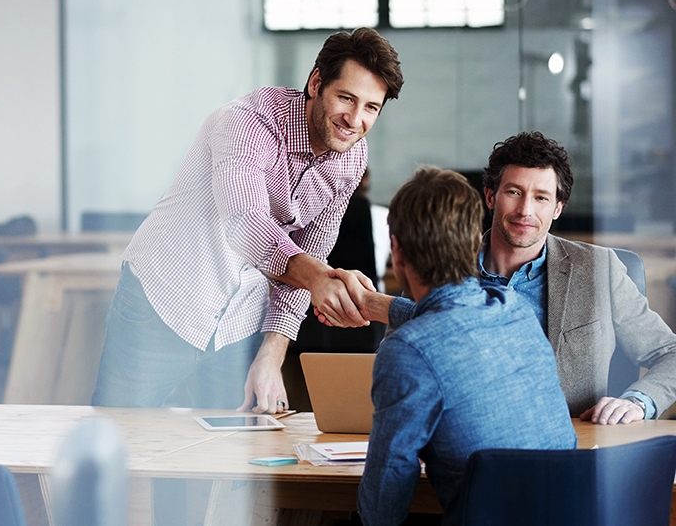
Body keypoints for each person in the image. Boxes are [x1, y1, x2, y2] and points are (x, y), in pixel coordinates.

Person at [91, 28, 404, 413]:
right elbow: (245, 223)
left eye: (371, 107)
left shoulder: (351, 159)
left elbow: (310, 256)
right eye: (346, 98)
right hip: (163, 302)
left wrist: (271, 356)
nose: (355, 119)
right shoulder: (246, 123)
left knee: (231, 459)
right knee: (116, 439)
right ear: (316, 82)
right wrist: (318, 277)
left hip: (239, 324)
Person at [336, 132, 676, 424]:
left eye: (541, 197)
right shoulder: (442, 265)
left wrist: (637, 402)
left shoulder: (599, 270)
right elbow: (395, 364)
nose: (525, 211)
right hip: (460, 443)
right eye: (514, 192)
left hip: (569, 445)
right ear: (489, 196)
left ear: (557, 208)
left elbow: (670, 353)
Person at [357, 166, 575, 526]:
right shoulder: (511, 308)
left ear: (396, 250)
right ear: (476, 240)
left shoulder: (409, 351)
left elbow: (386, 493)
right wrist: (378, 305)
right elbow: (453, 322)